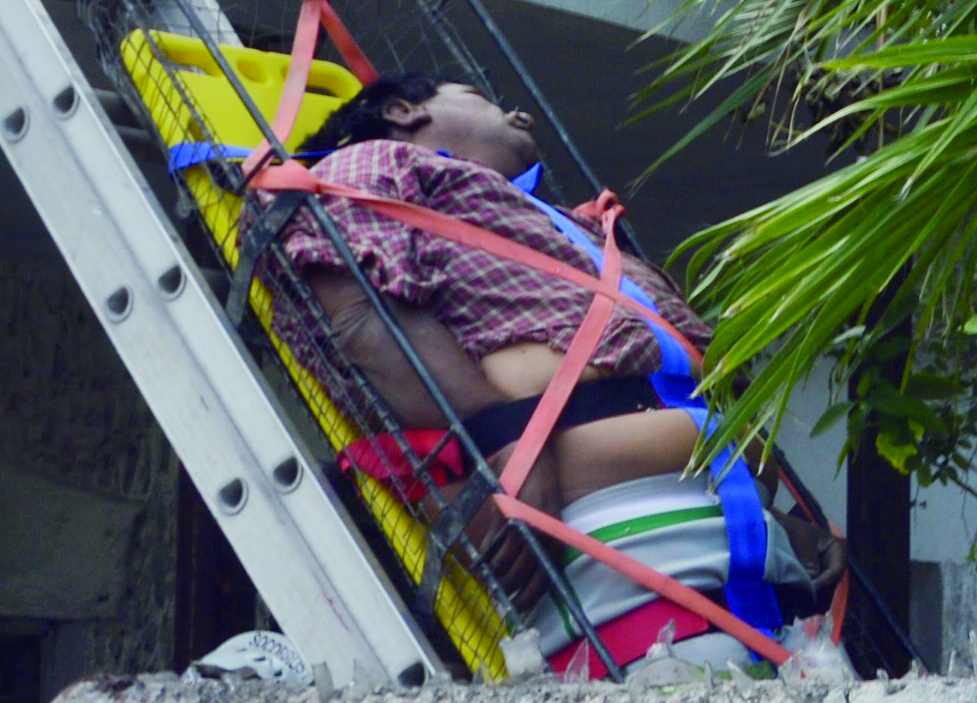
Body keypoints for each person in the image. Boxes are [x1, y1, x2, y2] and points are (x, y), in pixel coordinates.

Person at [272, 75, 715, 509]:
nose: (524, 115)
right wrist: (502, 434)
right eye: (482, 97)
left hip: (715, 471)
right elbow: (361, 314)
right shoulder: (368, 163)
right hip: (582, 473)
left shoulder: (560, 224)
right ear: (403, 112)